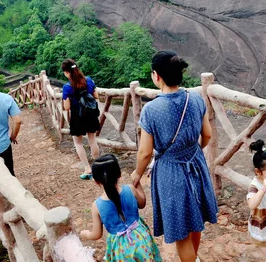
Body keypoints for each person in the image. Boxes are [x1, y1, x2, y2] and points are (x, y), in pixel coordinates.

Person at [131, 51, 218, 262]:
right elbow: (207, 134)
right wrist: (193, 150)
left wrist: (137, 173)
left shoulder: (151, 110)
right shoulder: (196, 98)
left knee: (181, 232)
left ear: (156, 76)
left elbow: (145, 153)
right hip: (196, 163)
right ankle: (194, 257)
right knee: (195, 220)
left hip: (171, 172)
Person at [80, 154, 162, 262]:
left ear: (96, 181)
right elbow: (142, 203)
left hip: (120, 249)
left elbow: (96, 234)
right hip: (141, 240)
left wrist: (86, 234)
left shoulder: (97, 206)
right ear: (119, 175)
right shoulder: (131, 189)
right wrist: (138, 184)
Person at [61, 59, 101, 180]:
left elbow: (67, 107)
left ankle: (87, 168)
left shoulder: (67, 87)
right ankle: (98, 167)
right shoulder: (89, 80)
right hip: (90, 114)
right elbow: (96, 96)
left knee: (78, 143)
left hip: (77, 117)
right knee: (92, 140)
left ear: (67, 72)